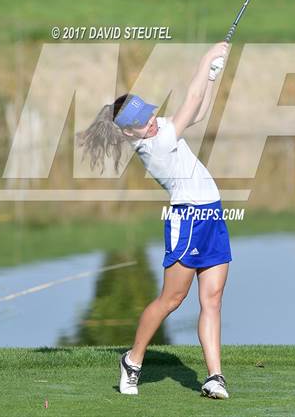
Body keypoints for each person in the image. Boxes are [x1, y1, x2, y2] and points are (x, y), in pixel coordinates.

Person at [76, 41, 232, 399]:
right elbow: (190, 103)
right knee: (171, 299)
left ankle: (214, 377)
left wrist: (211, 77)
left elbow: (198, 112)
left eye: (146, 114)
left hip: (212, 216)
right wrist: (206, 58)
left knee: (212, 300)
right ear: (127, 132)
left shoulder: (157, 128)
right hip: (188, 219)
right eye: (140, 122)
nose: (148, 120)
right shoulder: (152, 144)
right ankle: (132, 361)